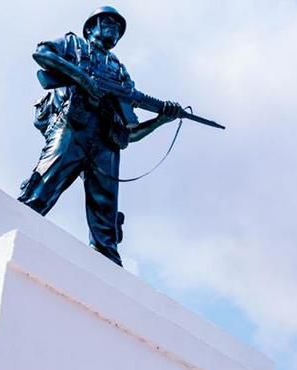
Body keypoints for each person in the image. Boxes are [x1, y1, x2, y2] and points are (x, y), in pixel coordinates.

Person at [18, 6, 181, 266]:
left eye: (118, 27)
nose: (114, 29)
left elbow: (131, 132)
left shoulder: (120, 72)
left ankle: (108, 264)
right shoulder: (75, 44)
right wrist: (81, 78)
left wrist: (162, 118)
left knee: (106, 225)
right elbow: (42, 53)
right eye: (108, 23)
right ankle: (15, 223)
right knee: (41, 191)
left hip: (106, 143)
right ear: (91, 27)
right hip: (74, 127)